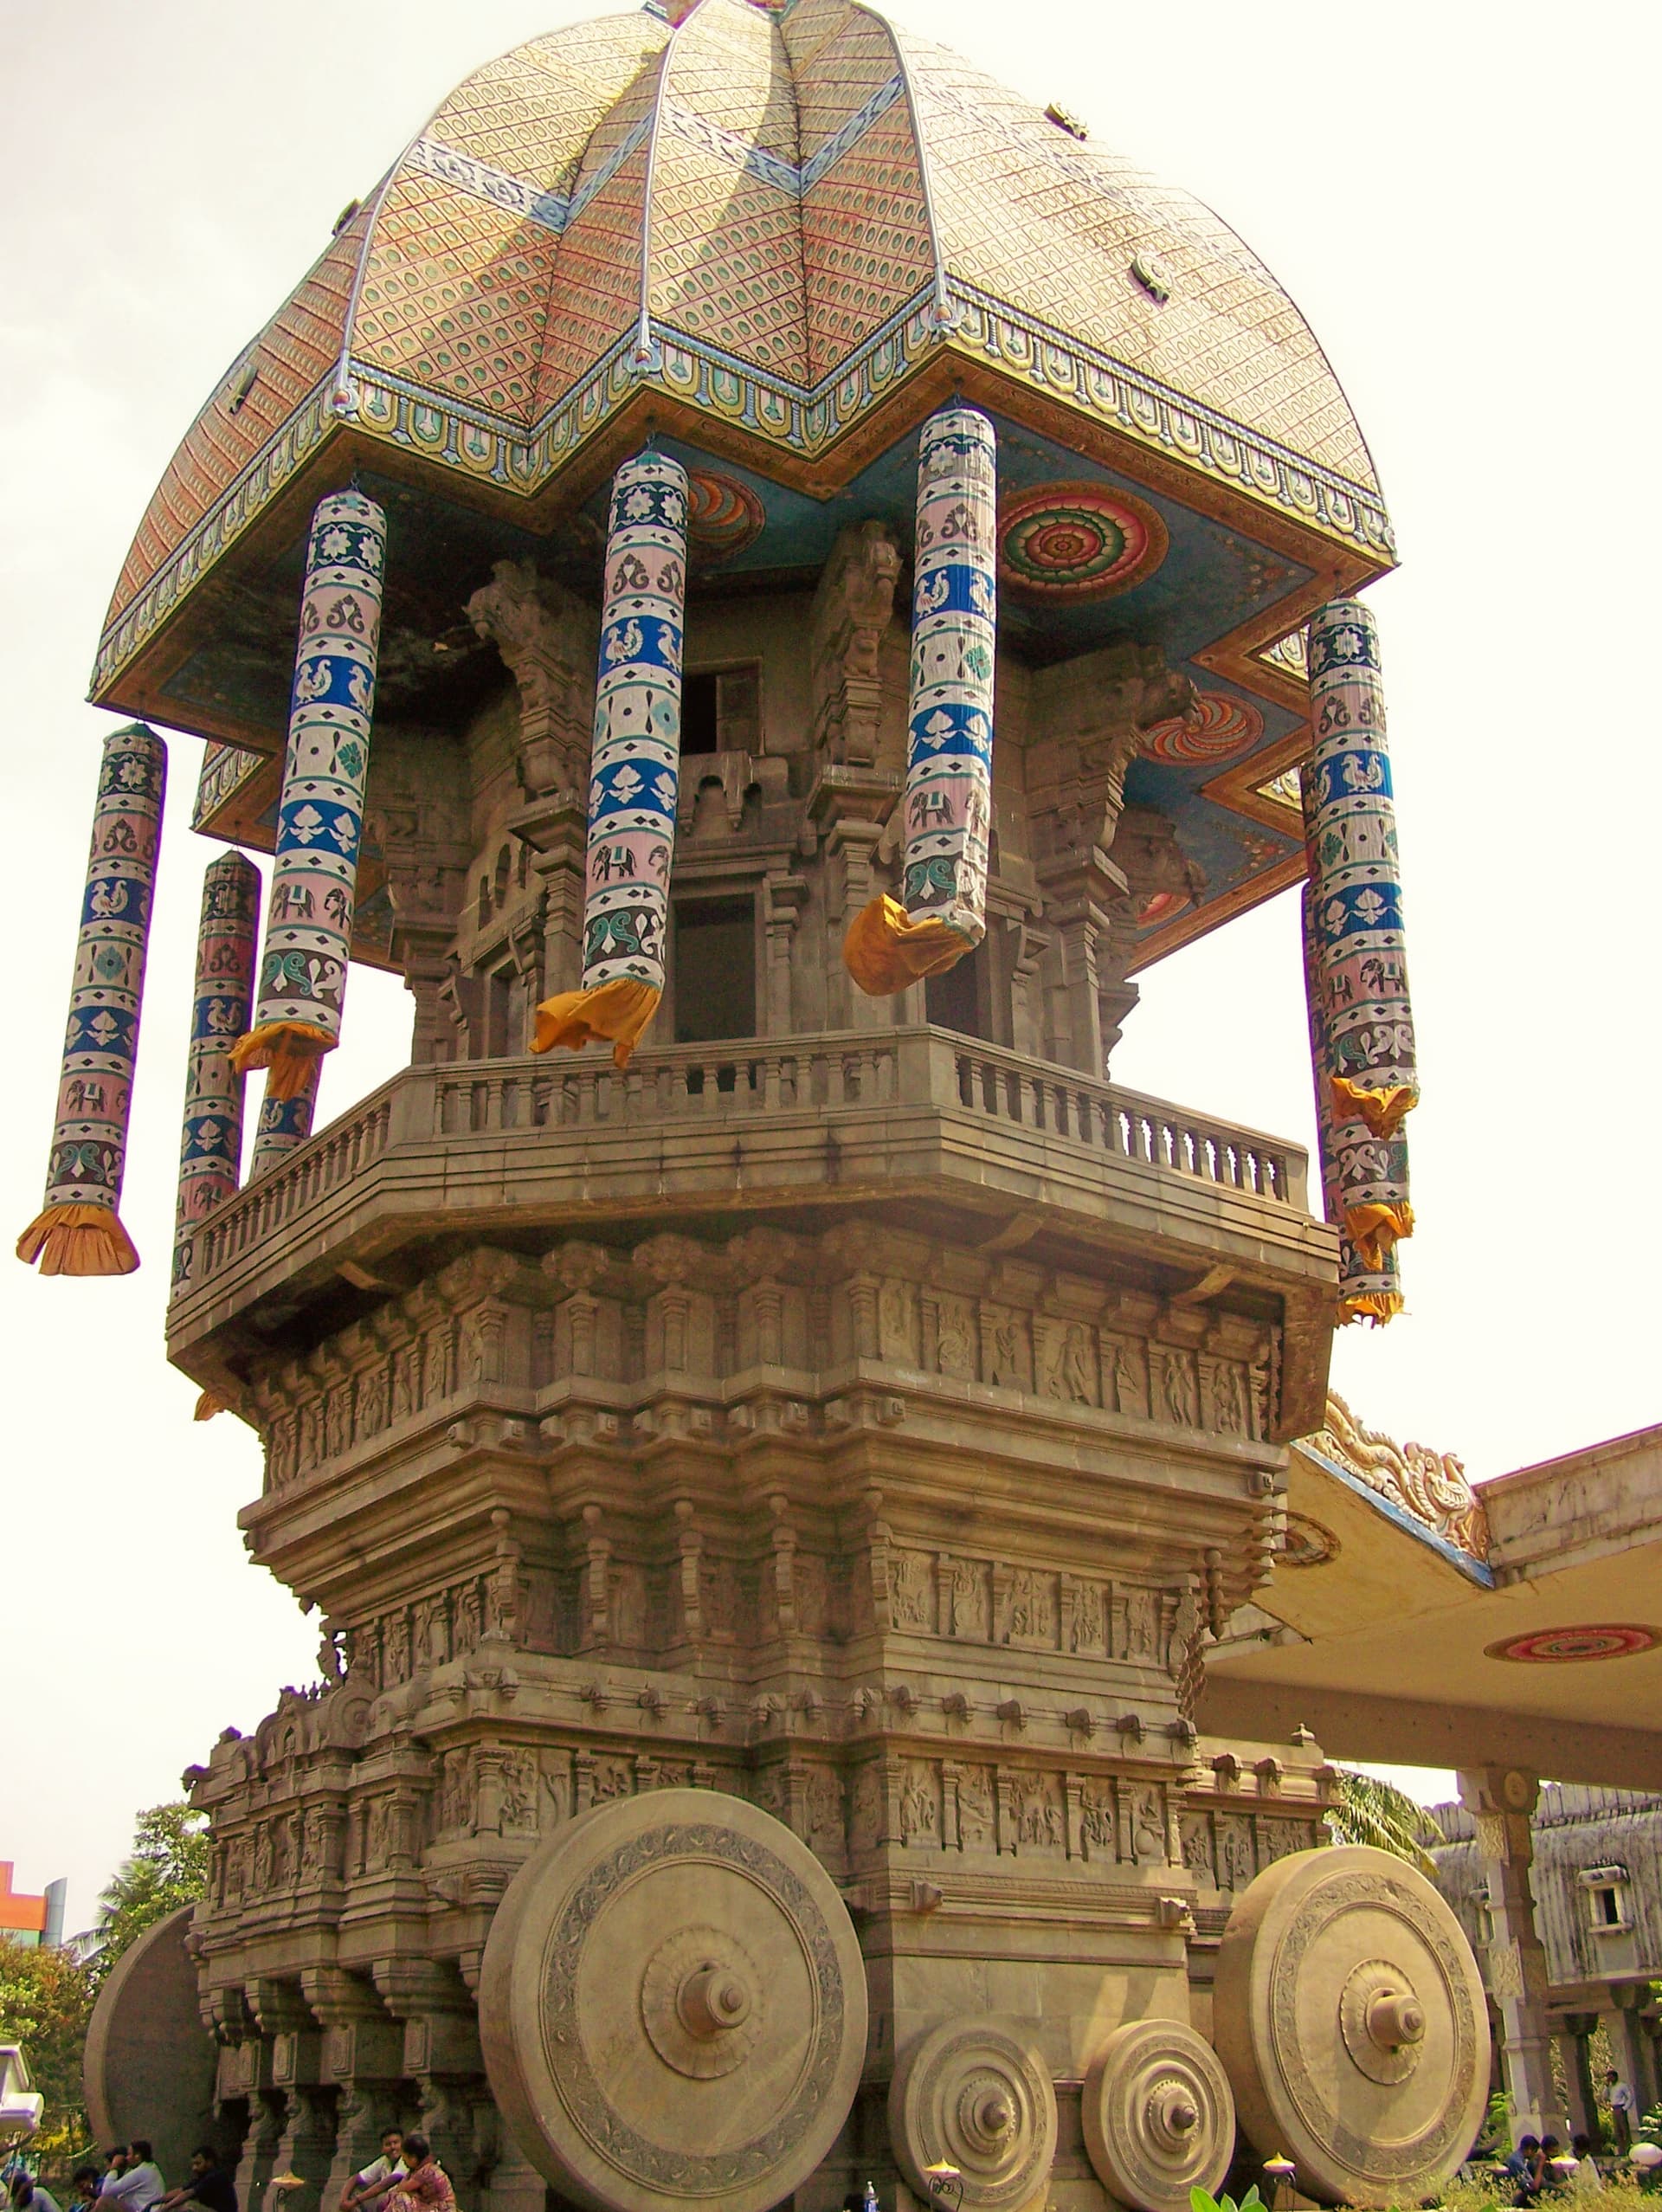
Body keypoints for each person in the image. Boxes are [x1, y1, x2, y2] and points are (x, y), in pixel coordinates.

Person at [355, 2138, 452, 2212]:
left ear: (413, 2158)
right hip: (429, 2206)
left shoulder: (427, 2171)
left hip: (441, 2209)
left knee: (400, 2198)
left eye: (404, 2159)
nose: (404, 2162)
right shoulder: (417, 2170)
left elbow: (401, 2189)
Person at [340, 2132, 406, 2212]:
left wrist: (355, 2201)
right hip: (384, 2204)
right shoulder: (384, 2160)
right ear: (382, 2148)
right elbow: (355, 2179)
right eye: (388, 2144)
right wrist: (343, 2201)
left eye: (396, 2143)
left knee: (382, 2197)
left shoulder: (405, 2160)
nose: (393, 2147)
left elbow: (384, 2185)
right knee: (353, 2192)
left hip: (401, 2204)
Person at [156, 2149, 235, 2212]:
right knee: (172, 2204)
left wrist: (164, 2209)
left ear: (209, 2162)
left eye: (198, 2164)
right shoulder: (201, 2177)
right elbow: (180, 2190)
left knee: (188, 2206)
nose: (194, 2168)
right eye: (193, 2164)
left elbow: (188, 2193)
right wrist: (155, 2202)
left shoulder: (216, 2176)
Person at [101, 2146, 164, 2212]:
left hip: (149, 2210)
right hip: (143, 2209)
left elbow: (106, 2191)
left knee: (103, 2201)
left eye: (109, 2165)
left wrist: (113, 2169)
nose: (107, 2169)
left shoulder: (138, 2173)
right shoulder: (142, 2170)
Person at [1607, 2073, 1635, 2157]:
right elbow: (1604, 2096)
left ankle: (1629, 2148)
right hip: (1614, 2108)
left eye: (1611, 2077)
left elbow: (1630, 2097)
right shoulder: (1610, 2088)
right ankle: (1621, 2150)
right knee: (1617, 2130)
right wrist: (1606, 2086)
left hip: (1621, 2108)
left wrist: (1625, 2108)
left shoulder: (1622, 2086)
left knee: (1624, 2129)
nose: (1610, 2079)